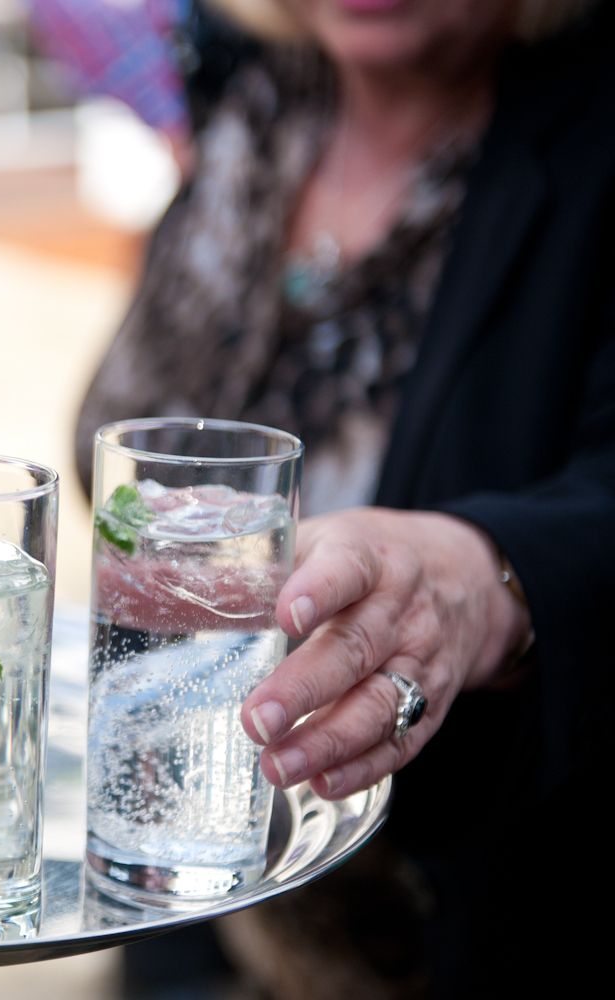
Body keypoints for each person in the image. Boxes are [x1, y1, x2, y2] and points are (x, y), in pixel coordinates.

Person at [76, 0, 612, 994]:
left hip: (466, 932)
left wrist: (488, 570)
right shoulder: (256, 107)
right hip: (178, 898)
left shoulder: (591, 137)